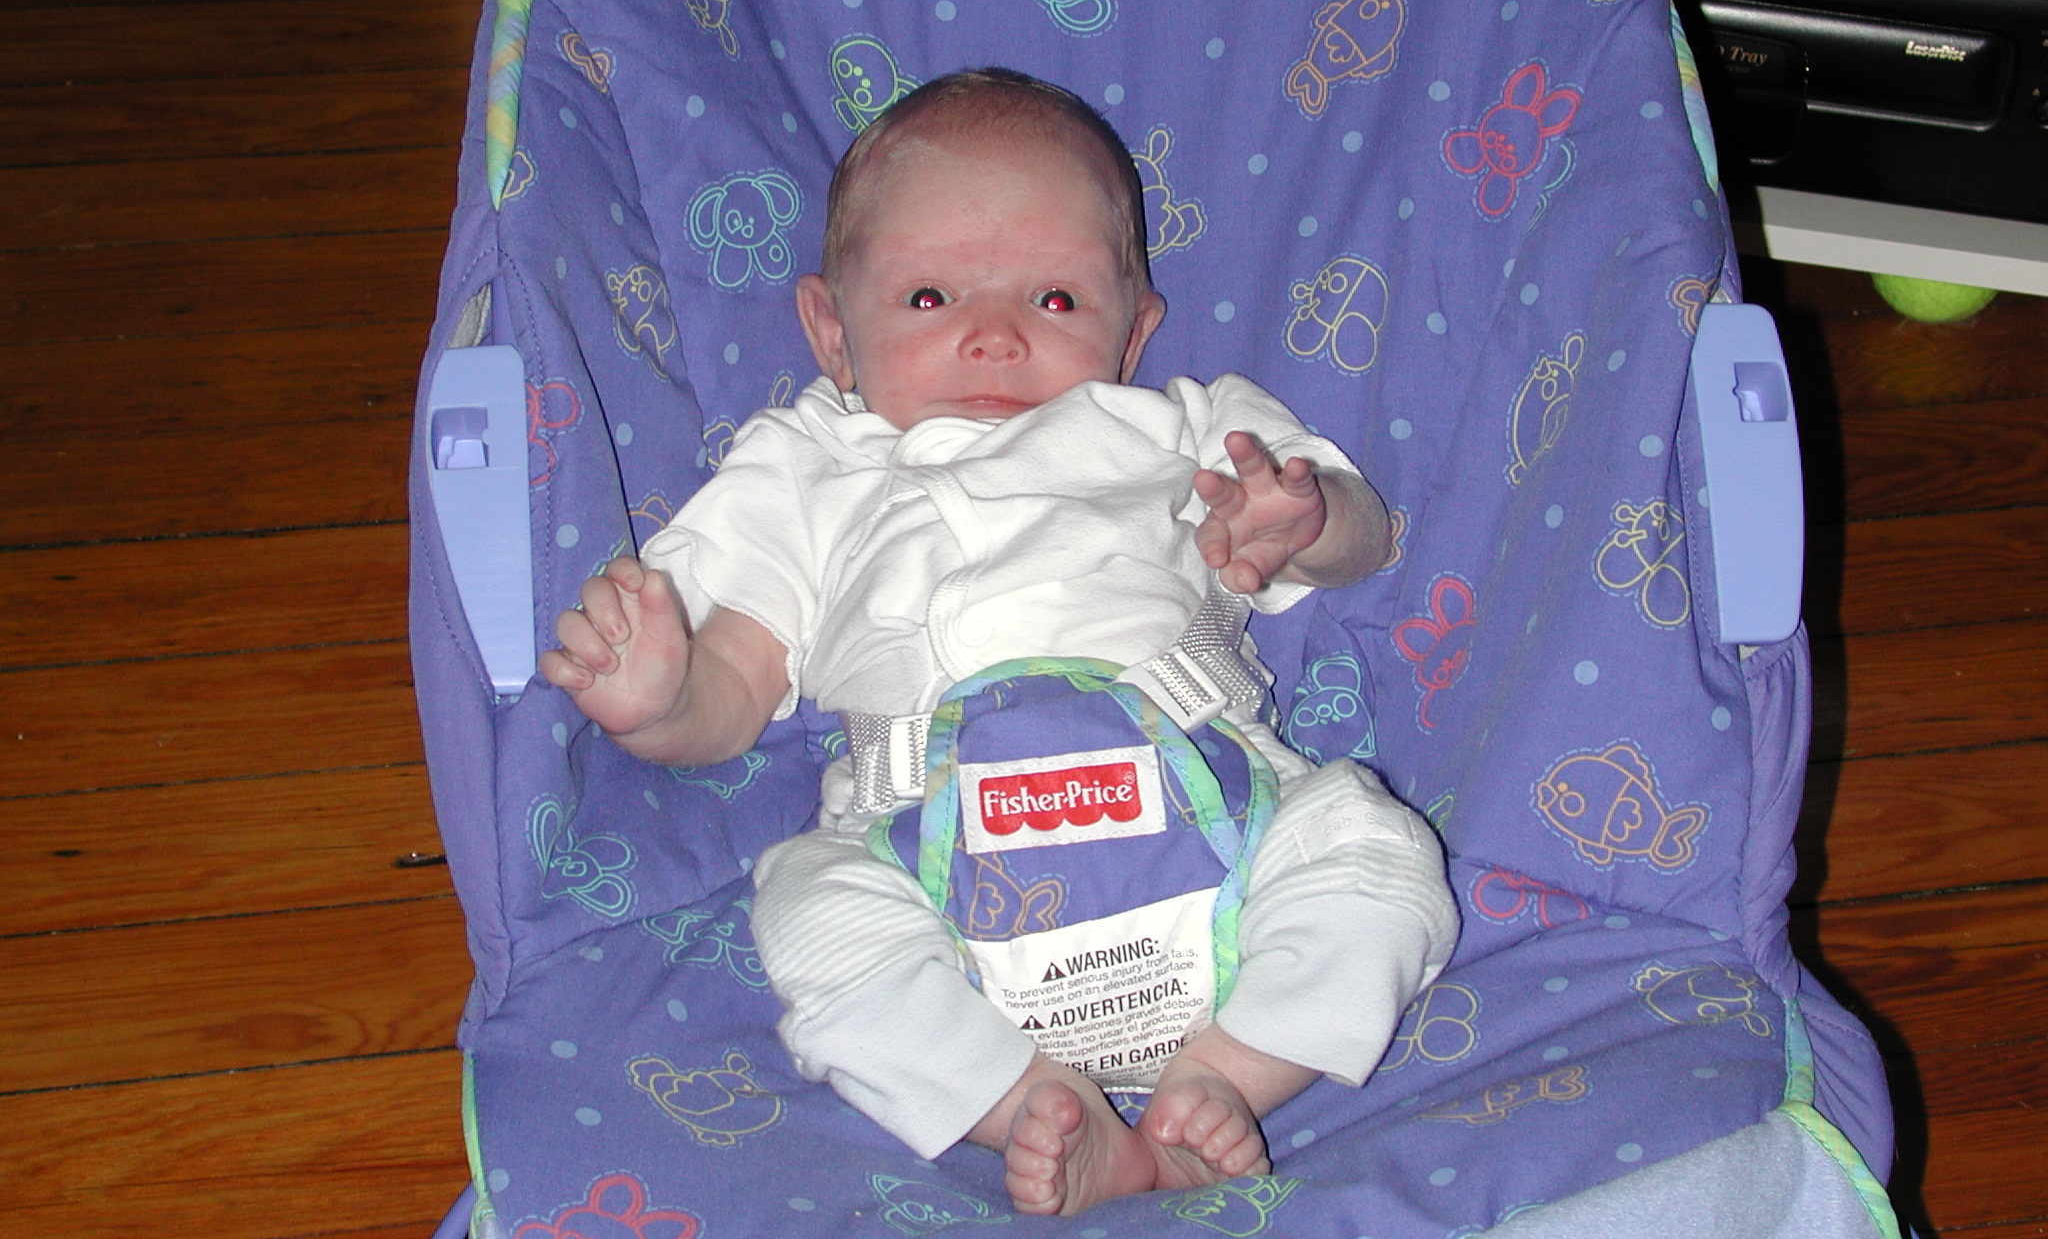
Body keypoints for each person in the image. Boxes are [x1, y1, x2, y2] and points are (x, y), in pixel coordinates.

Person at [538, 69, 1457, 1217]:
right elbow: (733, 681)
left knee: (1371, 849)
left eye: (1055, 300)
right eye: (927, 297)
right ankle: (1032, 1106)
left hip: (1217, 814)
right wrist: (663, 701)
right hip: (935, 866)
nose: (991, 338)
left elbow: (1363, 539)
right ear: (830, 330)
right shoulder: (809, 471)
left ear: (1134, 331)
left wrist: (1304, 520)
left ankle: (1219, 1080)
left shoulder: (1178, 426)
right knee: (812, 909)